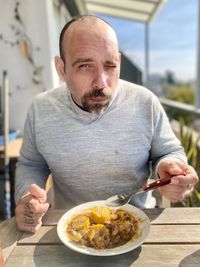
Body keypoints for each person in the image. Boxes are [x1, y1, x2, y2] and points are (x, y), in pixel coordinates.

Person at [15, 15, 198, 233]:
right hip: (67, 227)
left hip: (138, 225)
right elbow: (31, 164)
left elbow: (169, 151)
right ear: (61, 68)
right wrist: (28, 197)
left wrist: (170, 168)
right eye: (85, 66)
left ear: (119, 62)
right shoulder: (41, 109)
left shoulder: (145, 102)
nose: (101, 82)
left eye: (110, 65)